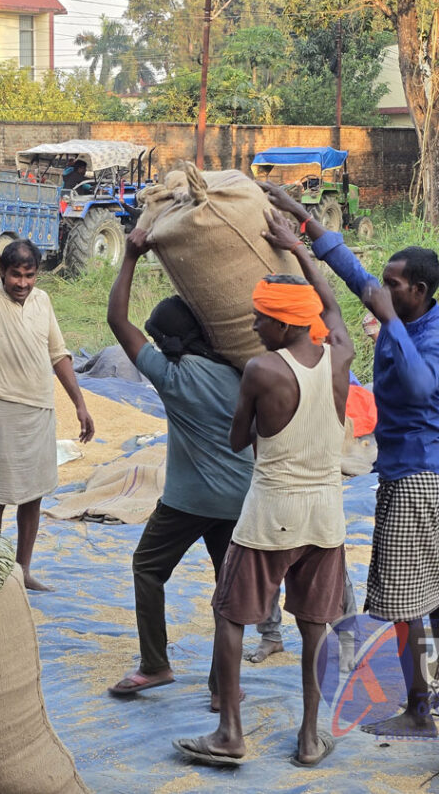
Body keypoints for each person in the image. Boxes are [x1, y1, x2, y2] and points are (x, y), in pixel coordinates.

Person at [263, 180, 439, 738]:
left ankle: (420, 710)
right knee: (429, 580)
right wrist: (301, 221)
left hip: (417, 474)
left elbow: (421, 387)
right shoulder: (404, 311)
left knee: (403, 597)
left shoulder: (436, 342)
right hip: (413, 470)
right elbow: (351, 271)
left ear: (416, 292)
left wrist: (391, 326)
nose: (383, 290)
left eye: (393, 286)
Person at [174, 213, 354, 769]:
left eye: (260, 318)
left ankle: (230, 732)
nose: (253, 325)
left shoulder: (261, 370)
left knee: (231, 615)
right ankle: (308, 735)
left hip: (271, 510)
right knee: (313, 623)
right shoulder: (341, 355)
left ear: (282, 325)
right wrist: (297, 249)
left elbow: (237, 440)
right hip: (326, 515)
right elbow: (332, 304)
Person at [104, 228, 254, 710]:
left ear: (167, 341)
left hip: (189, 501)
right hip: (241, 498)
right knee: (227, 591)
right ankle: (221, 687)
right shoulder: (240, 369)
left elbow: (115, 319)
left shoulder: (170, 375)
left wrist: (129, 256)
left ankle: (155, 665)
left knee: (147, 567)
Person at [0, 238, 95, 591]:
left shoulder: (42, 301)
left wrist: (80, 404)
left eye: (29, 275)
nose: (22, 284)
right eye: (15, 275)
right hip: (4, 410)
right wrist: (0, 261)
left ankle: (22, 570)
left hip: (41, 410)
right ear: (3, 273)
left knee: (33, 496)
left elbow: (59, 355)